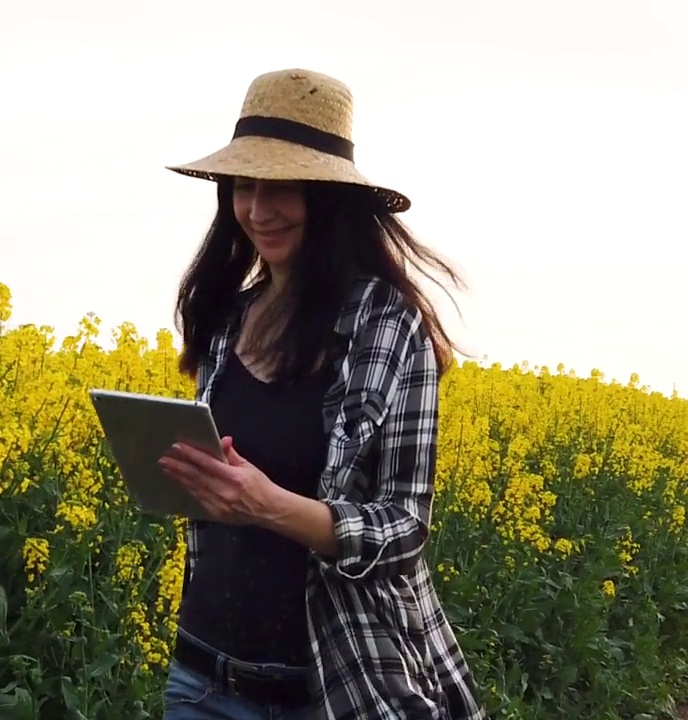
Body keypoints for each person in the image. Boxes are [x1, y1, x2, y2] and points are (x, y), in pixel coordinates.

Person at [154, 69, 488, 720]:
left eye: (282, 188)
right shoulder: (226, 320)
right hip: (202, 676)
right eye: (244, 187)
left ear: (329, 198)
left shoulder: (389, 328)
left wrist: (273, 506)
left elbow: (404, 529)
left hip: (330, 682)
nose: (258, 209)